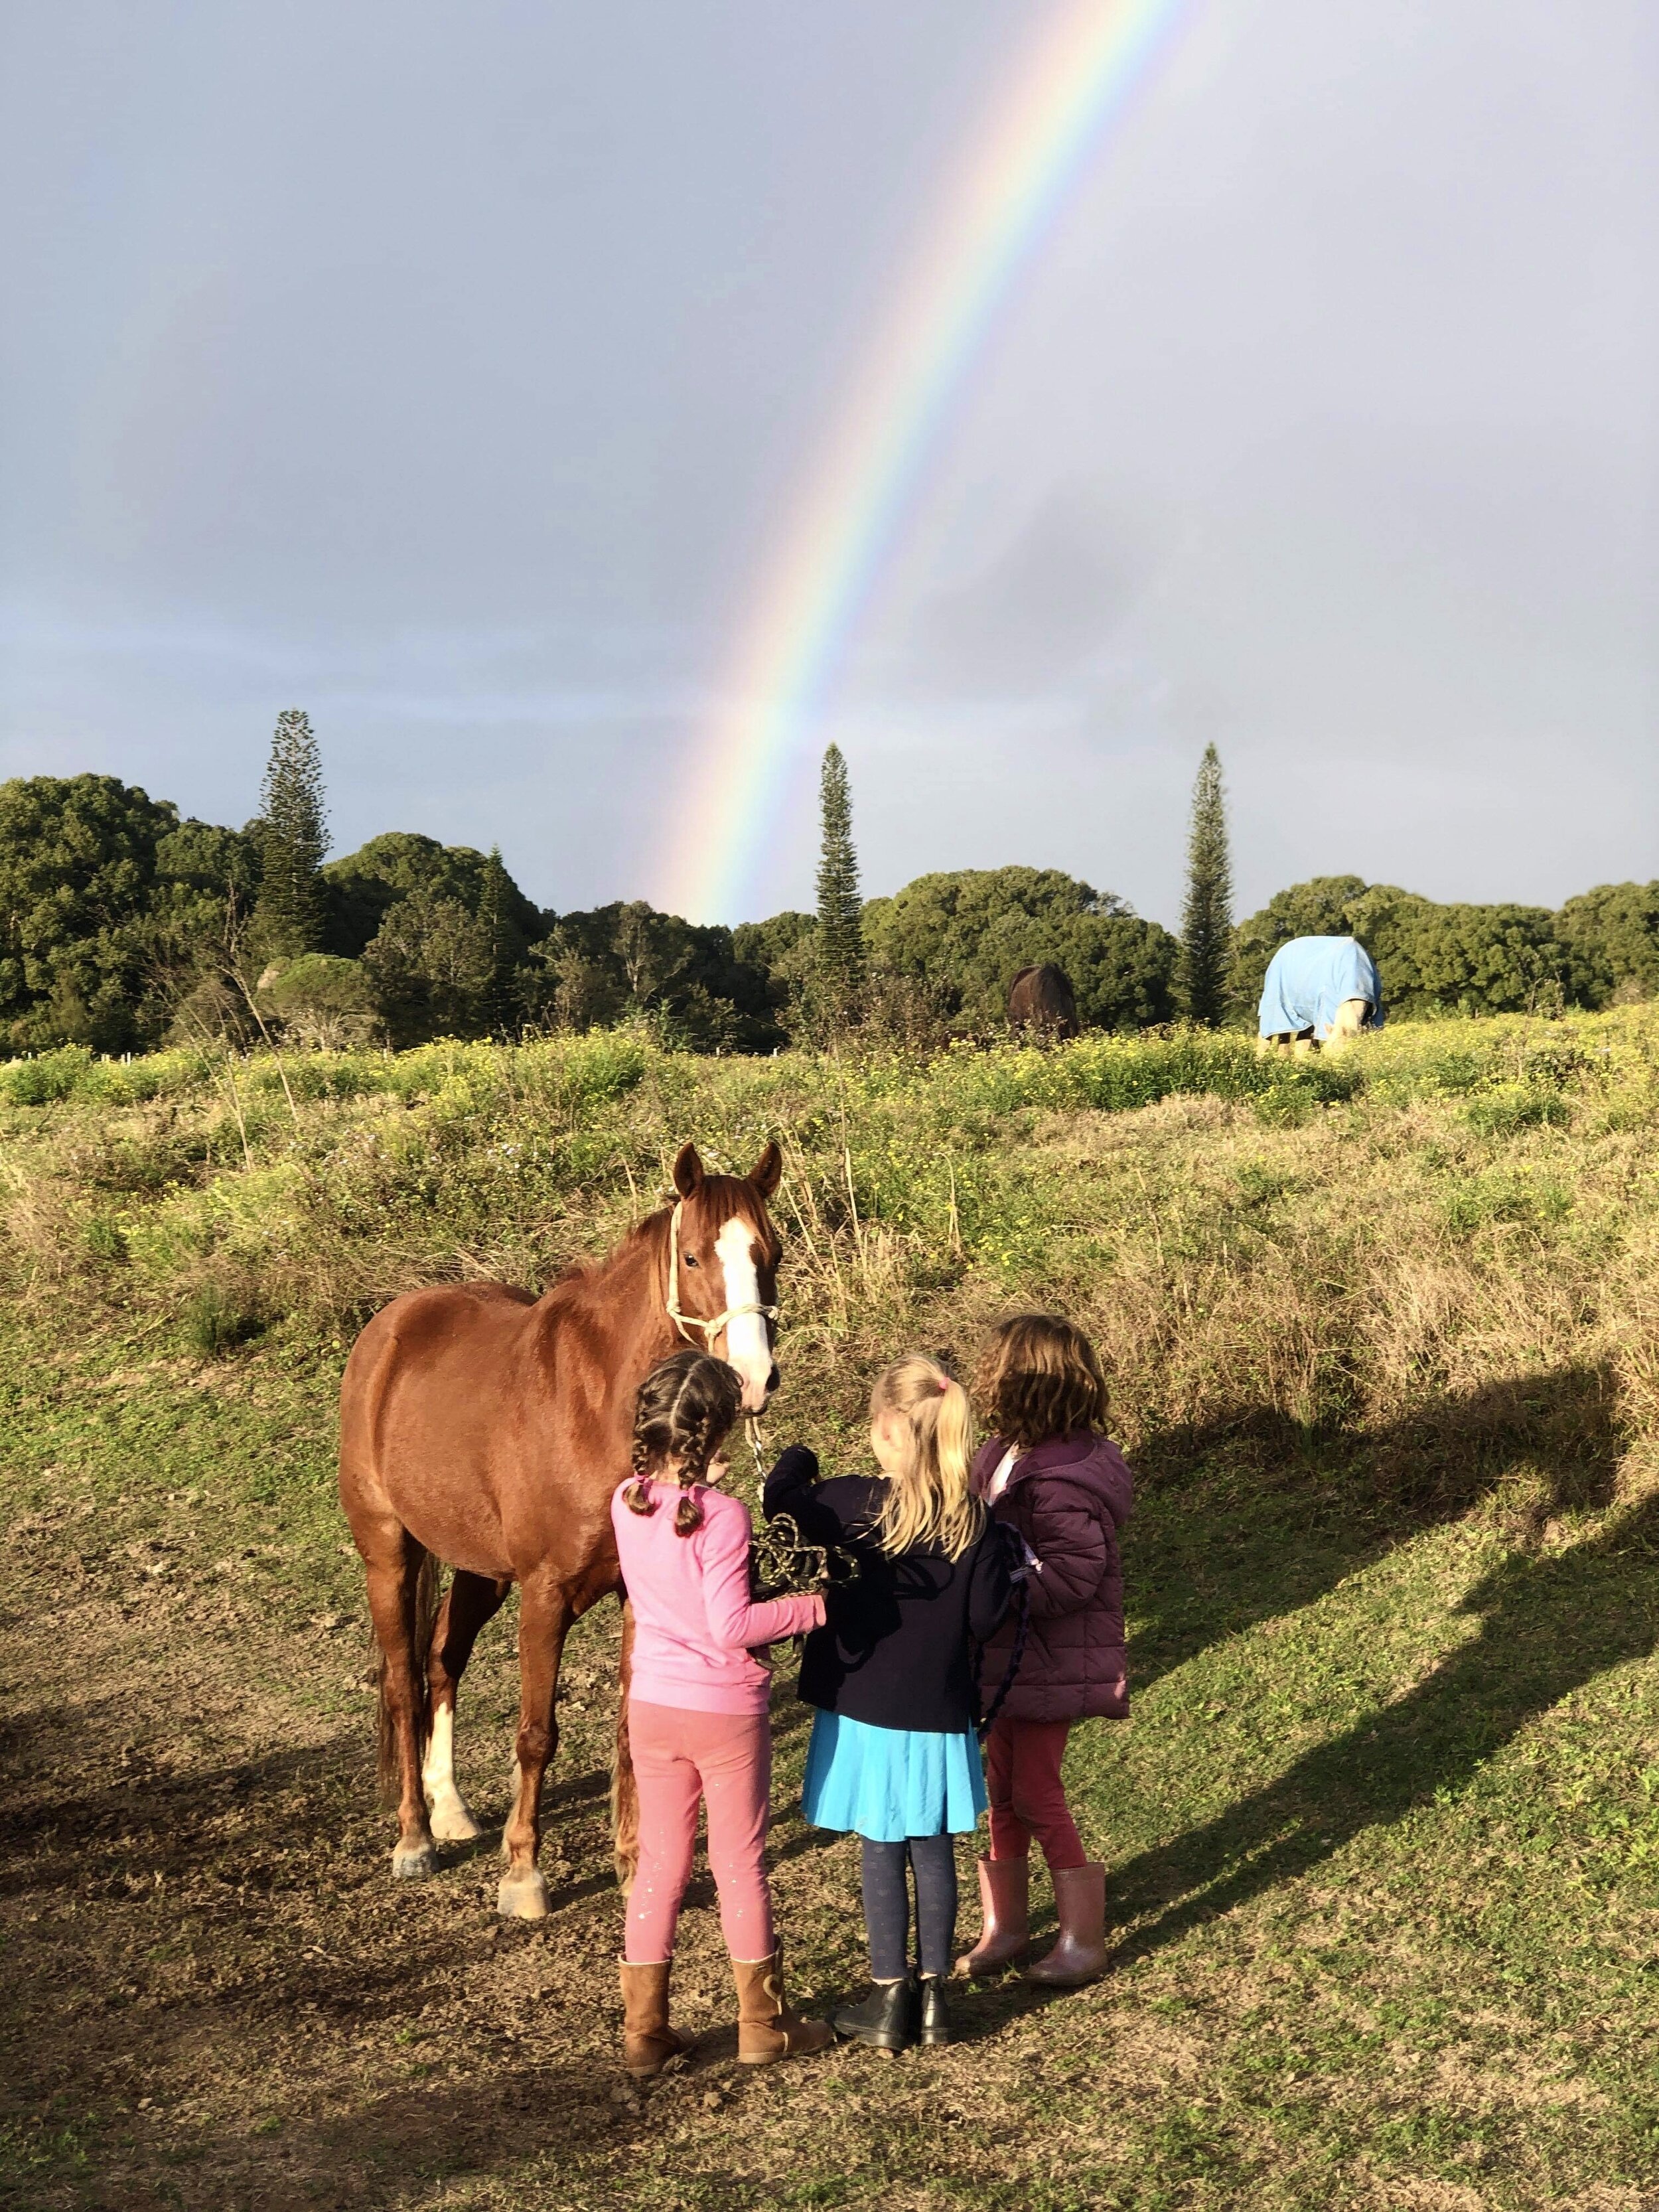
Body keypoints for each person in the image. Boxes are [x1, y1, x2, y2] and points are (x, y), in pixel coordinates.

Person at [764, 1355, 1015, 2053]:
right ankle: (935, 1999)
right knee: (932, 1845)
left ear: (885, 1429)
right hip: (940, 1711)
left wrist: (796, 1459)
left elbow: (782, 1502)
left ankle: (888, 1994)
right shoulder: (978, 1523)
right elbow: (990, 1618)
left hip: (865, 1707)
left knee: (881, 1844)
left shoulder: (850, 1503)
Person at [610, 1349, 833, 2075]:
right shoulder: (725, 1516)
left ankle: (645, 2031)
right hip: (724, 1710)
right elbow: (731, 1626)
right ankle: (760, 2024)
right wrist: (815, 1607)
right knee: (739, 1864)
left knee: (660, 1865)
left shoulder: (624, 1501)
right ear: (718, 1433)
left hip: (653, 1704)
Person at [954, 1313, 1132, 1988]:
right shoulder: (1003, 1454)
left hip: (1046, 1658)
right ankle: (1006, 1926)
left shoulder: (1058, 1481)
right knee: (1000, 1790)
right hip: (1004, 1655)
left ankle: (1082, 1938)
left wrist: (992, 1582)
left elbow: (1072, 1576)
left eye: (997, 1368)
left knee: (1035, 1790)